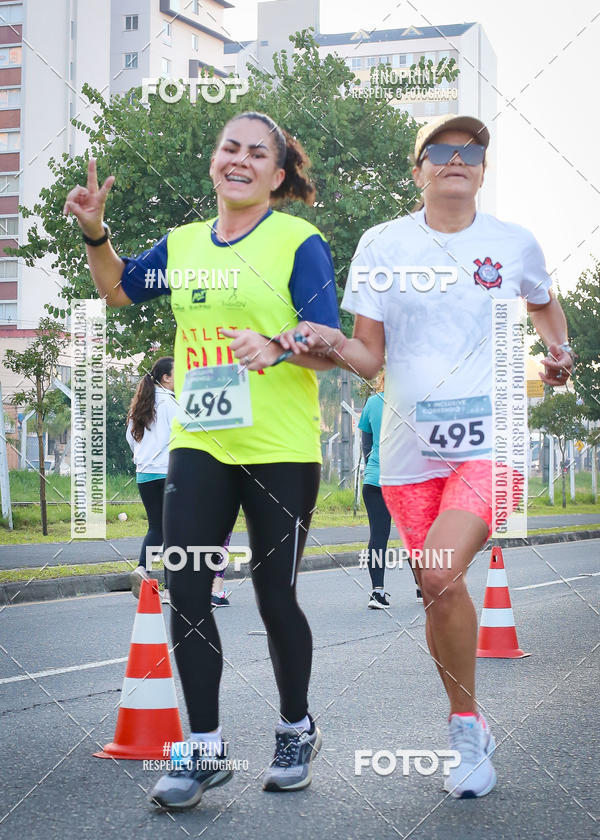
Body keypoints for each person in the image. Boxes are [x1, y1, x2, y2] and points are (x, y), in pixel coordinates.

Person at [276, 114, 574, 799]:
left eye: (471, 151)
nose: (456, 159)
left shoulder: (513, 243)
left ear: (483, 168)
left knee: (440, 572)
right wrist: (321, 340)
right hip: (412, 452)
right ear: (418, 170)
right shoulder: (384, 245)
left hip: (491, 442)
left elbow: (545, 306)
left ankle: (466, 731)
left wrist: (559, 350)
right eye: (440, 151)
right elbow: (368, 355)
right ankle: (466, 717)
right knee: (436, 589)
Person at [63, 111, 340, 810]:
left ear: (277, 176)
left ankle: (294, 726)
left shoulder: (297, 240)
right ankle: (206, 746)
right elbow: (117, 287)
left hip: (280, 447)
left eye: (257, 153)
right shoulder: (184, 244)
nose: (239, 159)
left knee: (274, 594)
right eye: (229, 148)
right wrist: (96, 232)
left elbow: (330, 332)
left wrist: (281, 342)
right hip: (202, 441)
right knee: (184, 587)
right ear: (215, 163)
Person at [359, 372, 422, 609]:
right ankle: (421, 587)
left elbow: (366, 442)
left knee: (378, 535)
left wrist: (373, 467)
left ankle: (377, 592)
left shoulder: (372, 403)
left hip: (375, 480)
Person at [126, 356, 177, 603]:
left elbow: (131, 437)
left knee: (156, 526)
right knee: (174, 530)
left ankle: (142, 568)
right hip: (169, 473)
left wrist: (143, 456)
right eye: (178, 373)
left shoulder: (141, 404)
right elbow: (185, 432)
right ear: (166, 377)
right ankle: (170, 589)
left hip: (144, 474)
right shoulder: (169, 403)